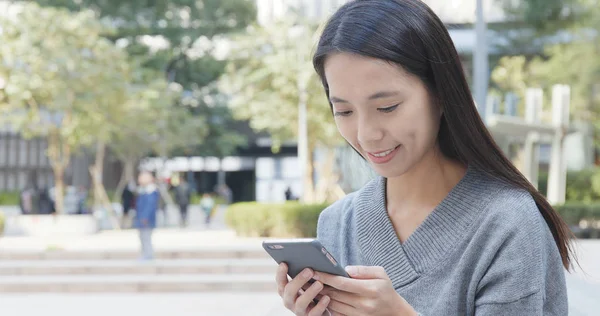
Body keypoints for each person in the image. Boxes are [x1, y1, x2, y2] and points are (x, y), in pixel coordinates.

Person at [275, 1, 574, 315]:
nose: (366, 134)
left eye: (387, 107)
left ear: (441, 94)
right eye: (344, 111)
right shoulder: (337, 224)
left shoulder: (508, 223)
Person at [134, 172, 159, 261]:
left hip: (146, 220)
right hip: (141, 218)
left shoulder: (150, 191)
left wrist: (145, 217)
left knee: (146, 237)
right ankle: (145, 254)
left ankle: (148, 255)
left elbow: (149, 206)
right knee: (143, 237)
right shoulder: (143, 190)